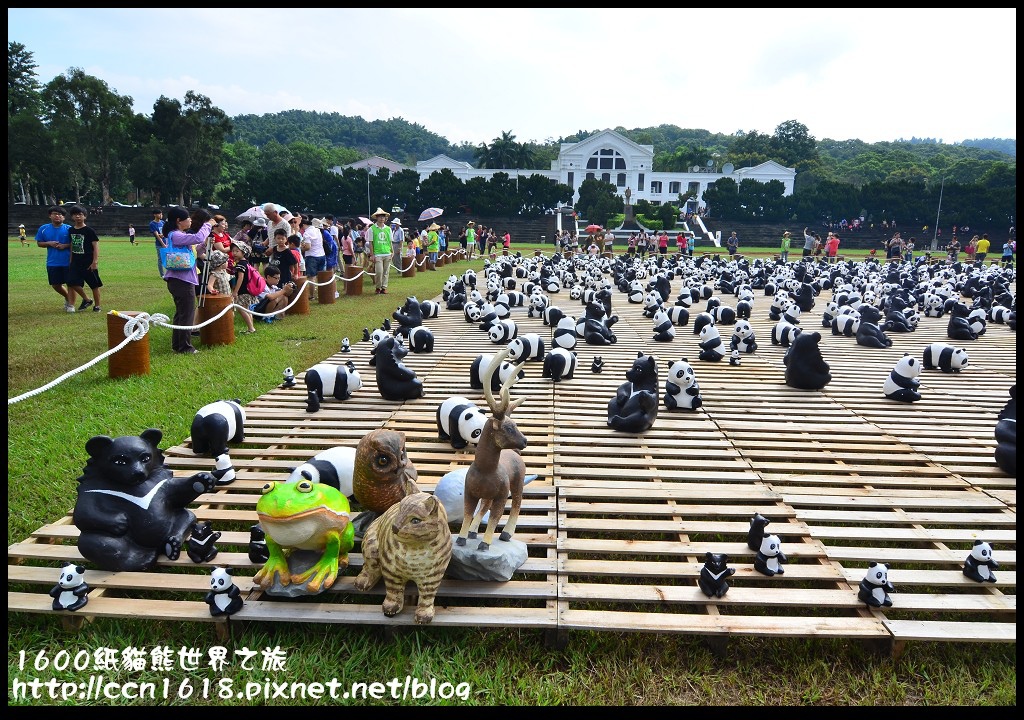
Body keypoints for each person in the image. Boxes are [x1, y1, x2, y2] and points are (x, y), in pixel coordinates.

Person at [162, 206, 214, 355]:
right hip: (182, 281)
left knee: (181, 313)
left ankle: (178, 344)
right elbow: (197, 237)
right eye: (187, 218)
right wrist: (207, 225)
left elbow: (195, 248)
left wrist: (204, 243)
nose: (190, 220)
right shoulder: (176, 235)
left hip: (180, 280)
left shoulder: (177, 235)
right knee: (187, 314)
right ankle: (185, 347)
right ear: (179, 220)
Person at [36, 206, 77, 312]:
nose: (57, 216)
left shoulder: (69, 229)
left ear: (64, 217)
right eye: (55, 214)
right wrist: (49, 243)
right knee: (55, 284)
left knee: (71, 284)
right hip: (52, 262)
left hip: (68, 261)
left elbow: (74, 244)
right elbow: (39, 243)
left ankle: (71, 305)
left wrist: (65, 246)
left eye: (60, 214)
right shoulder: (44, 229)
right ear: (50, 216)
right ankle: (68, 297)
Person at [66, 205, 103, 312]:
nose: (78, 217)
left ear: (85, 216)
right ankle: (87, 299)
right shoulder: (71, 230)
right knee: (71, 282)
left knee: (94, 284)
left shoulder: (89, 231)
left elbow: (95, 246)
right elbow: (72, 244)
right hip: (76, 261)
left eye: (80, 214)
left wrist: (95, 261)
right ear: (72, 217)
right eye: (75, 215)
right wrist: (71, 260)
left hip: (88, 261)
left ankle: (97, 306)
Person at [228, 239, 260, 334]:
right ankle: (251, 328)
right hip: (248, 290)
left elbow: (240, 278)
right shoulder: (246, 262)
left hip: (243, 291)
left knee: (241, 309)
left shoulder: (241, 265)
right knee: (247, 309)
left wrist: (235, 291)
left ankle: (251, 328)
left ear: (243, 252)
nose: (234, 253)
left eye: (237, 251)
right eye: (233, 251)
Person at [366, 207, 394, 293]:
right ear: (377, 217)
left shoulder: (388, 229)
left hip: (387, 252)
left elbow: (390, 241)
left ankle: (384, 288)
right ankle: (378, 287)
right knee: (379, 272)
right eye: (380, 216)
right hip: (377, 254)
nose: (382, 218)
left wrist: (392, 251)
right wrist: (372, 254)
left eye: (383, 216)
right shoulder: (372, 229)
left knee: (386, 272)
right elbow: (370, 243)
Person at [150, 208, 167, 277]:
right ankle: (162, 274)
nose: (161, 215)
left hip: (166, 242)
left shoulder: (162, 222)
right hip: (159, 244)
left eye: (161, 214)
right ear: (155, 215)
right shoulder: (152, 224)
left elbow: (165, 232)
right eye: (159, 214)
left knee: (167, 258)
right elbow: (157, 235)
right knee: (160, 259)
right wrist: (163, 244)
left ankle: (168, 273)